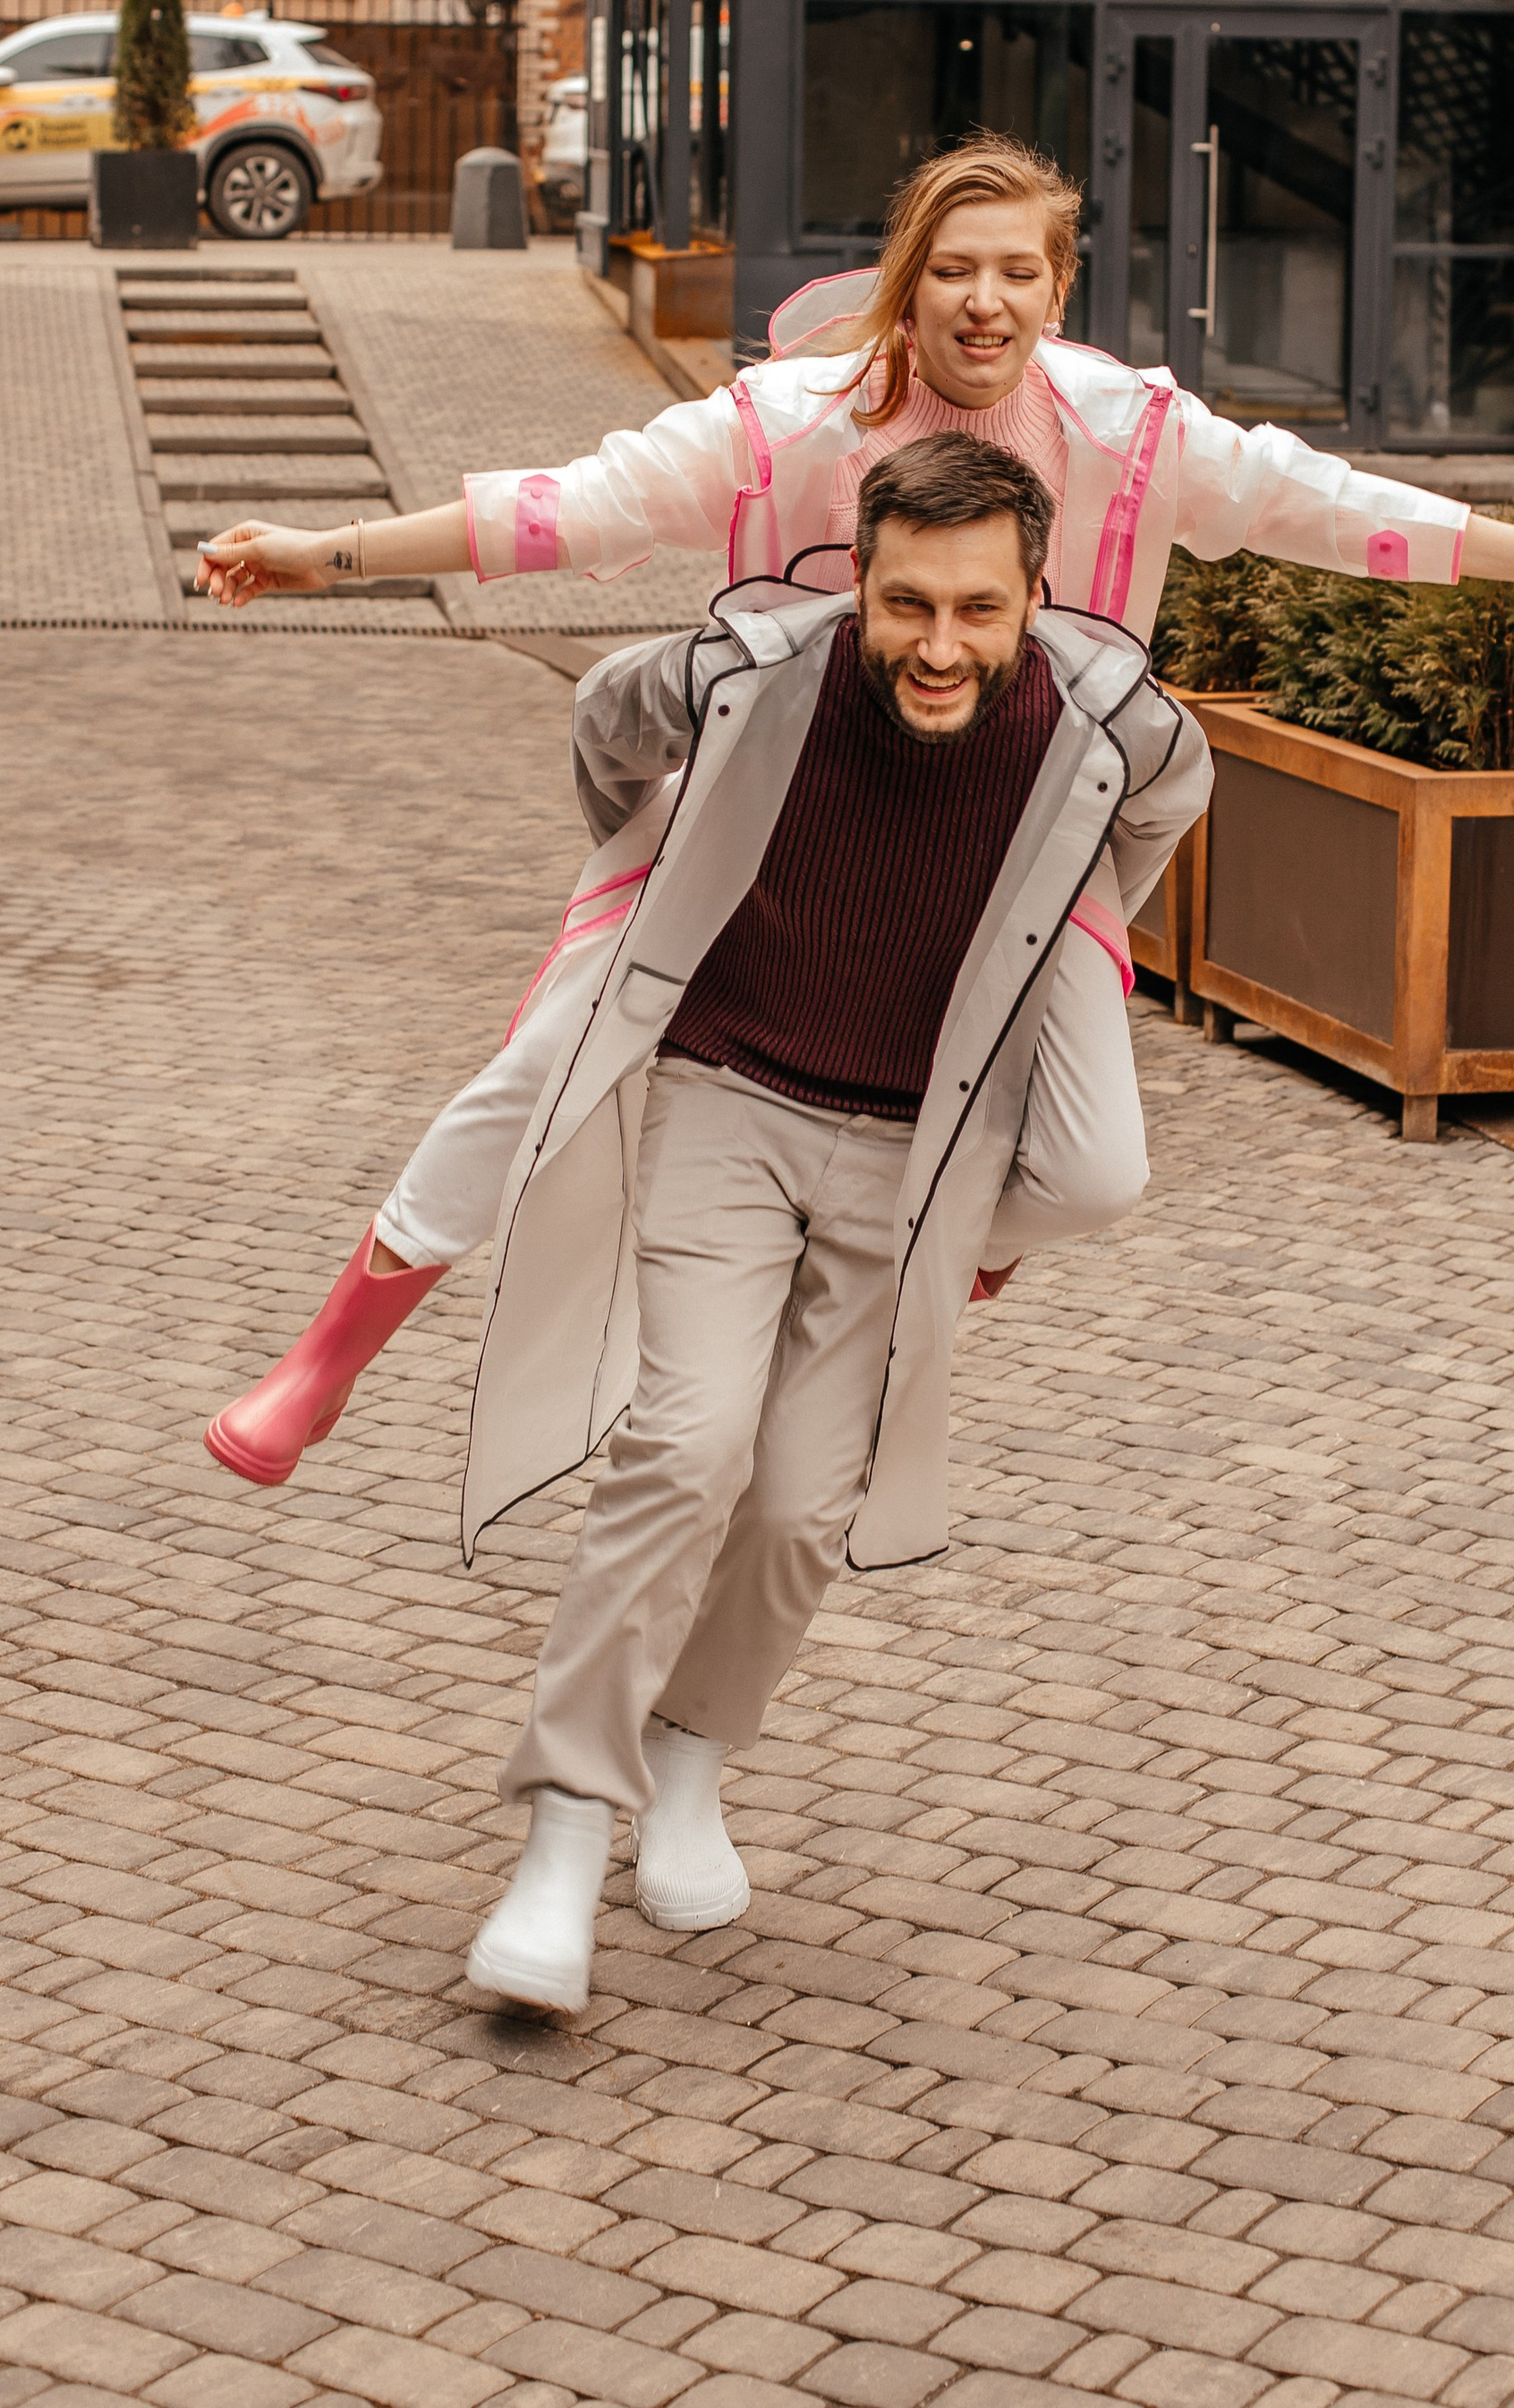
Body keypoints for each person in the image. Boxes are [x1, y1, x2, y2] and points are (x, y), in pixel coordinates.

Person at [196, 135, 1514, 1484]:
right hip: (771, 820)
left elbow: (1343, 513)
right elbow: (557, 511)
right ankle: (324, 1367)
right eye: (955, 271)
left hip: (1015, 847)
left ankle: (956, 1245)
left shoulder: (1134, 433)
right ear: (907, 292)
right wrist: (324, 552)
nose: (986, 300)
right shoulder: (787, 420)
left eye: (1018, 272)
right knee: (544, 1060)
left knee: (1096, 1168)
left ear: (1058, 291)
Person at [447, 435, 1212, 2011]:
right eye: (910, 602)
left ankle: (689, 1761)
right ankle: (565, 1835)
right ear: (858, 580)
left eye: (979, 610)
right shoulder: (752, 676)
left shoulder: (1099, 735)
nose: (942, 645)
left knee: (805, 1506)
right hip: (732, 1095)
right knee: (685, 1444)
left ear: (1035, 599)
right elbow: (606, 730)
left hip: (917, 1153)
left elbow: (1152, 829)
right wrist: (645, 869)